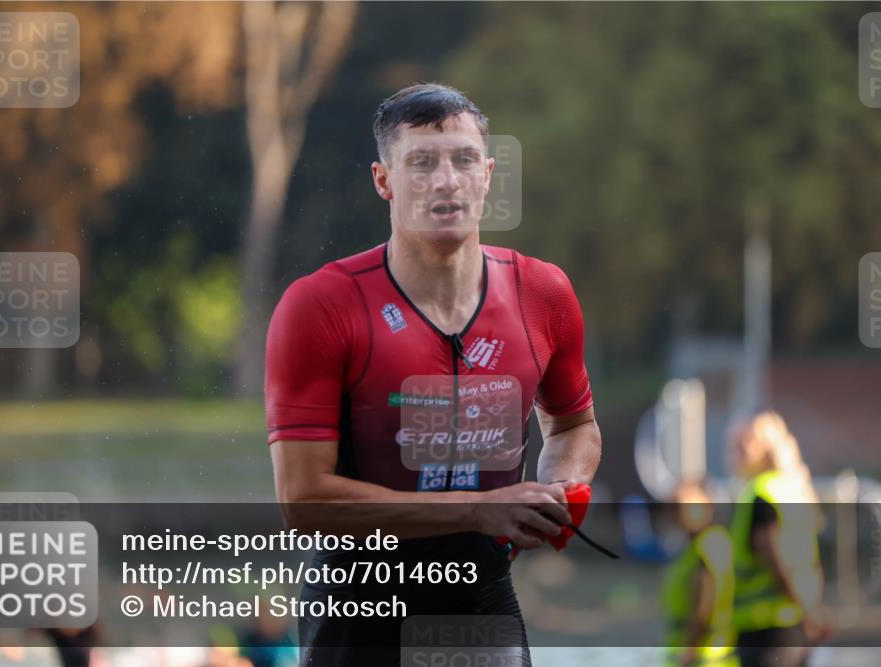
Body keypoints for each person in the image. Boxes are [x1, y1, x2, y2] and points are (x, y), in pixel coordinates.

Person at [264, 83, 602, 666]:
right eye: (422, 163)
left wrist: (559, 488)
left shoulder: (543, 293)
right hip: (360, 610)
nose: (447, 181)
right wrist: (479, 509)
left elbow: (573, 424)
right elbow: (303, 501)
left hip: (481, 600)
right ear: (384, 181)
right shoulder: (321, 305)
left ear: (488, 176)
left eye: (464, 160)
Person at [726, 411, 830, 667]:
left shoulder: (760, 494)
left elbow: (777, 558)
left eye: (745, 443)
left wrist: (808, 611)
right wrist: (811, 609)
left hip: (765, 627)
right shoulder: (791, 489)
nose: (736, 451)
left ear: (767, 447)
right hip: (793, 622)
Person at [661, 482, 738, 667]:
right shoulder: (693, 547)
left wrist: (691, 649)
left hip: (705, 655)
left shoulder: (710, 542)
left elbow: (706, 604)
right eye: (673, 507)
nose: (678, 513)